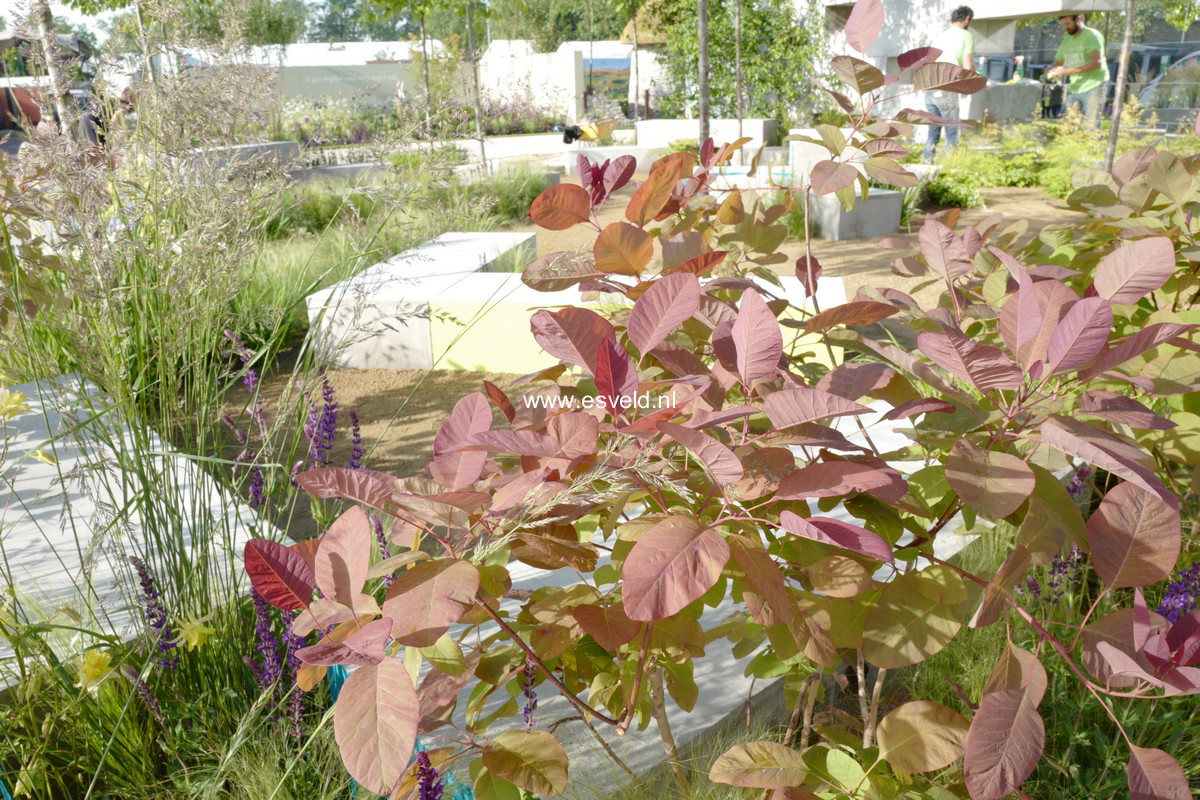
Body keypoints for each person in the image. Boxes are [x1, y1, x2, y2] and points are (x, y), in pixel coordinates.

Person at [923, 6, 975, 164]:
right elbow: (967, 67)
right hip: (947, 87)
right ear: (967, 19)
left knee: (933, 132)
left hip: (930, 87)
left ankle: (926, 166)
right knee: (952, 132)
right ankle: (949, 168)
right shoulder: (966, 36)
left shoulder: (940, 36)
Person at [1047, 14, 1109, 129]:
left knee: (1091, 126)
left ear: (1079, 19)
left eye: (1068, 24)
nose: (1066, 27)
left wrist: (1067, 71)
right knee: (1068, 125)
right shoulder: (1067, 40)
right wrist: (1052, 71)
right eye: (1064, 25)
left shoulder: (1092, 35)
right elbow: (1058, 62)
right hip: (1075, 87)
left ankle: (1093, 146)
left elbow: (1097, 64)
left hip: (1094, 85)